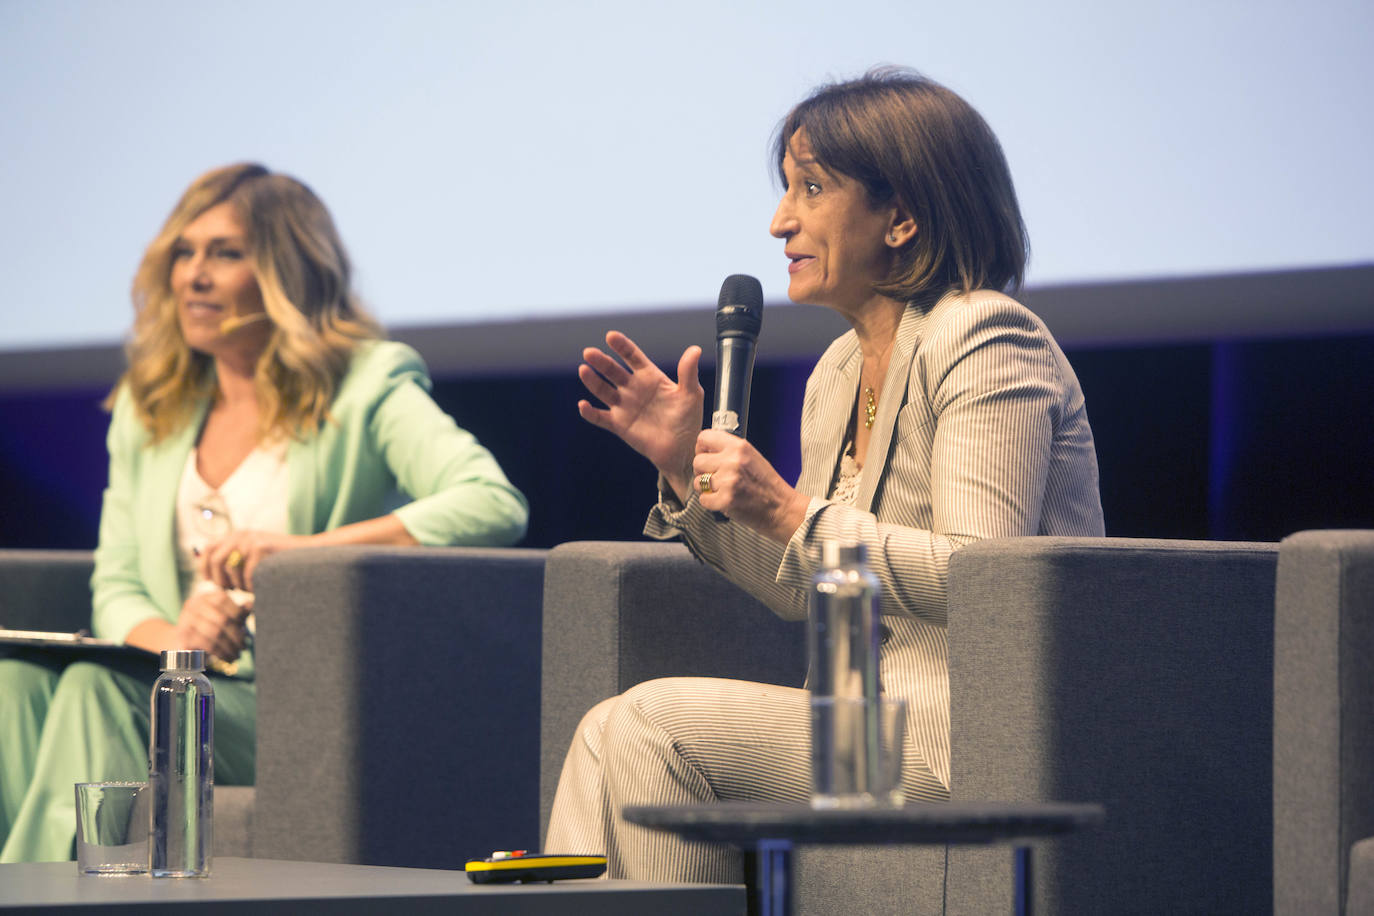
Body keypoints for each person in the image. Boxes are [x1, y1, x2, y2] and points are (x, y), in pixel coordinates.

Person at [544, 68, 1104, 882]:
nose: (780, 222)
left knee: (648, 725)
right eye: (784, 190)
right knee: (604, 730)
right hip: (857, 728)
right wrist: (683, 467)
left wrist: (789, 511)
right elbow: (815, 593)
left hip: (972, 738)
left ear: (903, 217)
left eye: (810, 188)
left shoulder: (986, 336)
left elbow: (984, 579)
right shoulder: (838, 371)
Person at [0, 163, 529, 862]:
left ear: (287, 271)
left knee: (99, 690)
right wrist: (179, 643)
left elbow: (491, 502)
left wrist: (305, 552)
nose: (193, 275)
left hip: (298, 701)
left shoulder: (367, 383)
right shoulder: (150, 405)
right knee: (14, 684)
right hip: (183, 683)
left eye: (224, 253)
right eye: (183, 254)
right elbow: (117, 584)